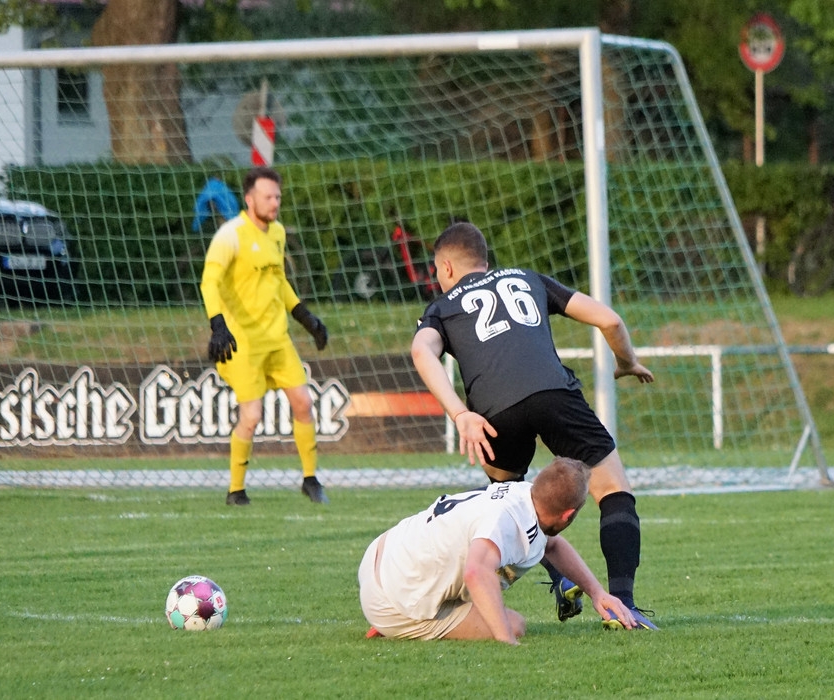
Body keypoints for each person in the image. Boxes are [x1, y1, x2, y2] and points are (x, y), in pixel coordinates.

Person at [410, 221, 657, 630]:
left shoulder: (443, 306)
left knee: (510, 500)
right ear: (484, 260)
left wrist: (460, 414)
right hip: (554, 393)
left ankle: (561, 577)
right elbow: (610, 320)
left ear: (447, 268)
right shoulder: (528, 279)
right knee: (613, 490)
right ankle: (623, 606)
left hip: (493, 411)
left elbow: (422, 352)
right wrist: (627, 362)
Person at [358, 456, 637, 642]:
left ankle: (402, 613)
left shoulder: (524, 495)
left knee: (486, 588)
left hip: (383, 554)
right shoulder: (507, 521)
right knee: (513, 624)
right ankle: (396, 624)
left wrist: (598, 593)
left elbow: (552, 545)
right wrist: (507, 640)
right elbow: (475, 572)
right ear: (568, 515)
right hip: (389, 598)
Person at [199, 166, 330, 506]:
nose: (275, 203)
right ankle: (236, 490)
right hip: (243, 342)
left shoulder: (278, 232)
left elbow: (279, 282)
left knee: (303, 403)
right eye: (268, 197)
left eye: (278, 197)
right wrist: (218, 325)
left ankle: (311, 480)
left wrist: (307, 319)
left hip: (277, 339)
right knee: (252, 416)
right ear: (249, 199)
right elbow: (209, 282)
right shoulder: (230, 235)